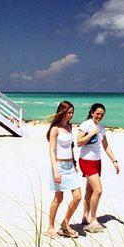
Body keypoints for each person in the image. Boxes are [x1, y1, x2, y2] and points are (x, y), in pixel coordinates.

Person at [76, 103, 120, 233]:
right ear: (91, 113)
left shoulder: (101, 127)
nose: (99, 116)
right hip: (86, 161)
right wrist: (91, 133)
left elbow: (106, 145)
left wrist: (114, 161)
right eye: (97, 114)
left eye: (102, 114)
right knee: (98, 190)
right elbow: (78, 143)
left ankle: (85, 217)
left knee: (90, 191)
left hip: (97, 161)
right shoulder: (85, 125)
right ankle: (93, 220)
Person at [46, 100, 81, 238]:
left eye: (72, 112)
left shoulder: (70, 127)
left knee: (77, 196)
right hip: (59, 166)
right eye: (68, 112)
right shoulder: (55, 129)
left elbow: (70, 147)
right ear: (62, 112)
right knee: (58, 198)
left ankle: (65, 224)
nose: (70, 115)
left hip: (70, 166)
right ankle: (50, 227)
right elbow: (51, 151)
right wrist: (55, 170)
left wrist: (74, 162)